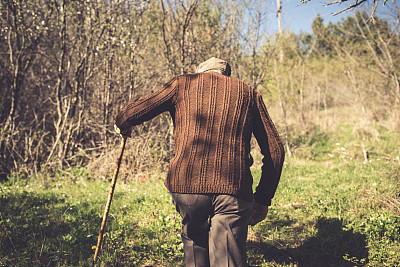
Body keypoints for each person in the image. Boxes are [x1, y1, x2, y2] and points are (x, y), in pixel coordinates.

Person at [114, 57, 285, 267]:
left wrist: (123, 122)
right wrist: (263, 198)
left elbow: (133, 112)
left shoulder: (183, 83)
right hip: (232, 189)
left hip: (187, 188)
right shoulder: (248, 93)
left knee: (194, 239)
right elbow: (275, 150)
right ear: (226, 75)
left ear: (201, 72)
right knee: (228, 256)